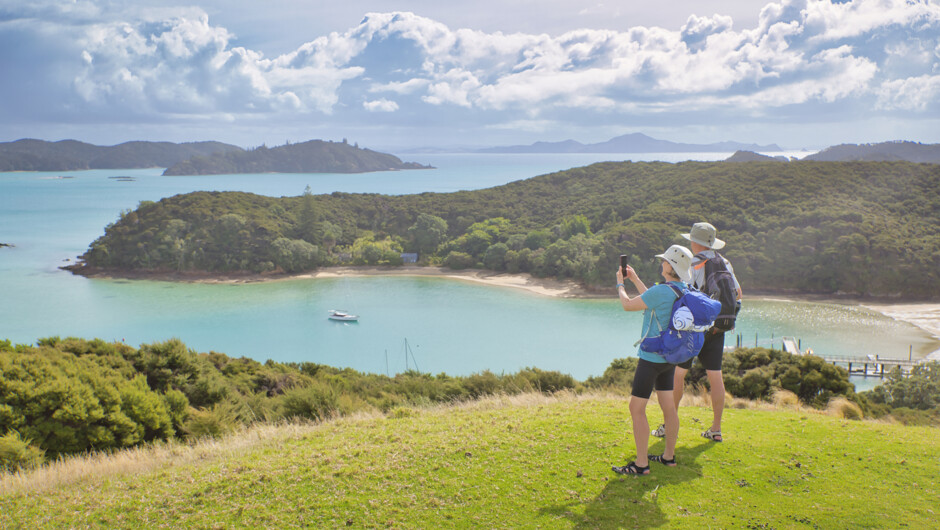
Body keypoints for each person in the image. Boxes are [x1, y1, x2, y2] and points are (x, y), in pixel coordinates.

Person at [652, 222, 742, 443]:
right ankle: (716, 429)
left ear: (694, 242)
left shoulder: (691, 264)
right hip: (717, 329)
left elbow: (681, 294)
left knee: (678, 375)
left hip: (693, 330)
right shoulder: (725, 263)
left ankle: (668, 425)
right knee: (715, 377)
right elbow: (738, 294)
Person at [611, 244, 693, 476]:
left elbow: (628, 305)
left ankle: (641, 463)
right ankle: (668, 457)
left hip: (650, 358)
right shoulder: (681, 289)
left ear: (670, 266)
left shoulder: (662, 291)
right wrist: (635, 279)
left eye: (665, 261)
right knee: (668, 407)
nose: (662, 263)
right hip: (670, 357)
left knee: (636, 408)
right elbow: (652, 299)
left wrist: (620, 284)